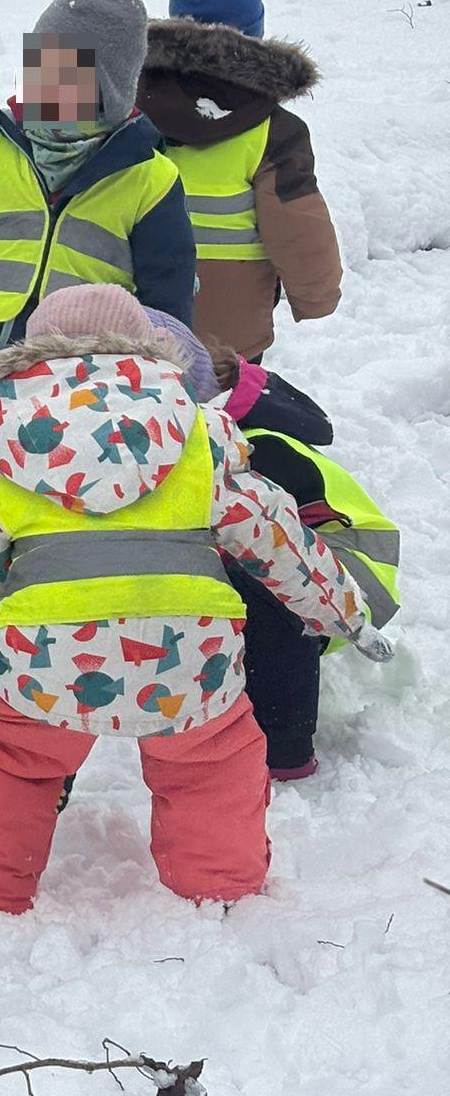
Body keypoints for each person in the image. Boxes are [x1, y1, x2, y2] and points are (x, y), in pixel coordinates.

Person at [0, 285, 388, 914]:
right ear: (150, 348)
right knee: (210, 763)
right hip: (189, 651)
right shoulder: (200, 431)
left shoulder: (3, 440)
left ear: (30, 354)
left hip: (46, 656)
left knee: (8, 762)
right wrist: (346, 616)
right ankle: (221, 895)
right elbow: (273, 533)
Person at [145, 311, 400, 781]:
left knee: (263, 580)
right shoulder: (224, 431)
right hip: (316, 562)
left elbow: (283, 551)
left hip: (348, 575)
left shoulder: (255, 447)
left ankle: (284, 748)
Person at [0, 0, 194, 372]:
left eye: (63, 73)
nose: (41, 85)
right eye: (38, 65)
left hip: (82, 376)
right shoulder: (0, 141)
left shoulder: (148, 179)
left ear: (107, 89)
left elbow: (168, 308)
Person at [137, 0, 342, 358]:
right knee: (225, 418)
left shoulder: (132, 106)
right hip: (228, 335)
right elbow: (297, 224)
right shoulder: (275, 131)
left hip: (138, 317)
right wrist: (316, 295)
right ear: (255, 33)